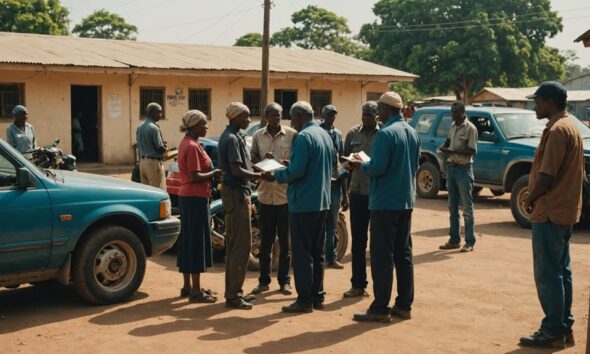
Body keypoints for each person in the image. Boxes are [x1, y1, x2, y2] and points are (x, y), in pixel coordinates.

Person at [519, 82, 582, 348]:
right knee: (560, 271)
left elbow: (547, 176)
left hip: (551, 211)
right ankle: (563, 327)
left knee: (548, 273)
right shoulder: (569, 126)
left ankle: (553, 329)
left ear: (549, 102)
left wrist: (529, 197)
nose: (535, 106)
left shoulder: (557, 130)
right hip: (563, 211)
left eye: (537, 102)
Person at [351, 91, 420, 323]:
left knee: (382, 256)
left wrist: (364, 164)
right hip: (405, 201)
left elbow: (377, 168)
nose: (377, 113)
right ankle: (404, 304)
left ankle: (380, 307)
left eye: (379, 109)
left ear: (386, 109)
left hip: (385, 203)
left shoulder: (386, 134)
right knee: (404, 254)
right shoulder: (411, 132)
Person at [270, 101, 334, 313]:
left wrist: (275, 174)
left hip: (304, 202)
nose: (291, 123)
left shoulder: (304, 137)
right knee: (318, 252)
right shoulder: (324, 134)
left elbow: (297, 171)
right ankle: (317, 295)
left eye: (291, 118)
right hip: (322, 201)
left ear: (298, 117)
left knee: (302, 253)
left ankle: (305, 299)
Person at [218, 102, 271, 310]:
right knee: (240, 246)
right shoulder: (231, 139)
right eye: (246, 117)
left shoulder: (234, 137)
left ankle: (235, 291)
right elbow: (237, 170)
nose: (249, 121)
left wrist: (260, 165)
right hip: (237, 194)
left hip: (237, 193)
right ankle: (233, 296)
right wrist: (261, 175)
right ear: (235, 118)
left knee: (236, 246)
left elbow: (243, 166)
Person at [250, 103, 297, 296]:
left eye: (279, 115)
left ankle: (284, 281)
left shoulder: (292, 135)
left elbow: (296, 162)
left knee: (285, 243)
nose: (277, 119)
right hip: (265, 195)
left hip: (284, 196)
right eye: (273, 115)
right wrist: (263, 161)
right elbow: (252, 162)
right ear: (266, 116)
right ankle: (263, 281)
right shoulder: (258, 136)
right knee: (266, 242)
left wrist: (284, 163)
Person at [176, 110, 222, 303]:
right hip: (195, 197)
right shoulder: (193, 146)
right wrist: (215, 172)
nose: (206, 127)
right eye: (203, 124)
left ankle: (188, 286)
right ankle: (195, 290)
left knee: (188, 241)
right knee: (196, 243)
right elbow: (195, 176)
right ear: (194, 126)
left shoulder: (186, 143)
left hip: (187, 197)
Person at [342, 101, 379, 298]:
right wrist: (350, 164)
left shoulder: (383, 135)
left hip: (376, 193)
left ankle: (379, 288)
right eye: (363, 114)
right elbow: (345, 163)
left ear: (377, 116)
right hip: (357, 193)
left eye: (369, 115)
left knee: (377, 243)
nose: (365, 118)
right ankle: (358, 284)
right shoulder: (352, 133)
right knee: (358, 242)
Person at [438, 101, 478, 252]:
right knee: (452, 206)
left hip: (464, 170)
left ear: (462, 113)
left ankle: (470, 241)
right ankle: (454, 239)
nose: (452, 115)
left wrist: (452, 152)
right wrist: (444, 147)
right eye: (451, 112)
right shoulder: (453, 126)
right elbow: (449, 141)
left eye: (455, 113)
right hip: (452, 168)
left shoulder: (470, 128)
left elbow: (472, 150)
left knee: (467, 208)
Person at [320, 105, 348, 269]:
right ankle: (319, 256)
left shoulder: (338, 134)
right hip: (320, 184)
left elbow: (342, 164)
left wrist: (346, 193)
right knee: (319, 223)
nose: (331, 118)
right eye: (329, 115)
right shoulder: (318, 132)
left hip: (335, 183)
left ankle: (331, 257)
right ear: (323, 115)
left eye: (333, 115)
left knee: (332, 223)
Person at [136, 102, 167, 190]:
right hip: (153, 163)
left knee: (146, 191)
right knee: (157, 190)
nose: (161, 115)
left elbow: (139, 146)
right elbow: (160, 148)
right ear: (152, 113)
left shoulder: (140, 127)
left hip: (142, 163)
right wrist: (166, 149)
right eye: (159, 112)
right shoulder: (154, 128)